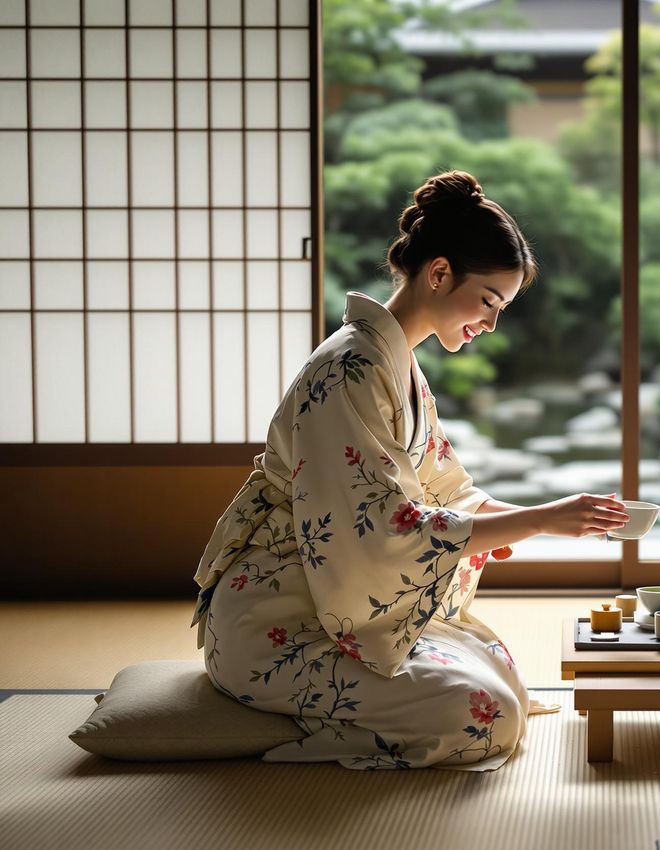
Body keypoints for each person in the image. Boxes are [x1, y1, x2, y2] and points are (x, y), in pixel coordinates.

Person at [192, 170, 629, 770]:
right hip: (281, 620)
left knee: (497, 666)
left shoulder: (394, 365)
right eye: (488, 301)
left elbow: (448, 491)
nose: (491, 323)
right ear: (440, 273)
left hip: (327, 609)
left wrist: (554, 520)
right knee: (487, 715)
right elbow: (384, 527)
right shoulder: (350, 368)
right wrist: (542, 520)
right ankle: (291, 737)